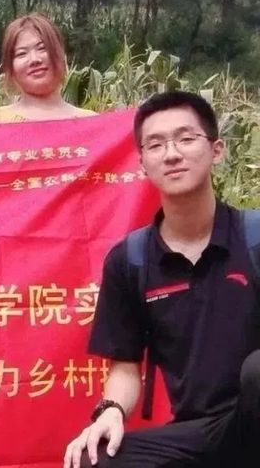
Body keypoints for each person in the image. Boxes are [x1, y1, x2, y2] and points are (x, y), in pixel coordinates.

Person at [63, 91, 260, 468]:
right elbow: (125, 366)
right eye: (155, 144)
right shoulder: (130, 260)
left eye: (186, 138)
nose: (171, 154)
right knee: (94, 458)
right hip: (195, 432)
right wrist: (110, 411)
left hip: (254, 418)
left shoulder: (255, 238)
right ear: (142, 163)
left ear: (217, 150)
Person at [0, 13, 95, 124]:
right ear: (10, 67)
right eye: (21, 54)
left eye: (42, 48)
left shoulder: (92, 123)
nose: (34, 59)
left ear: (61, 54)